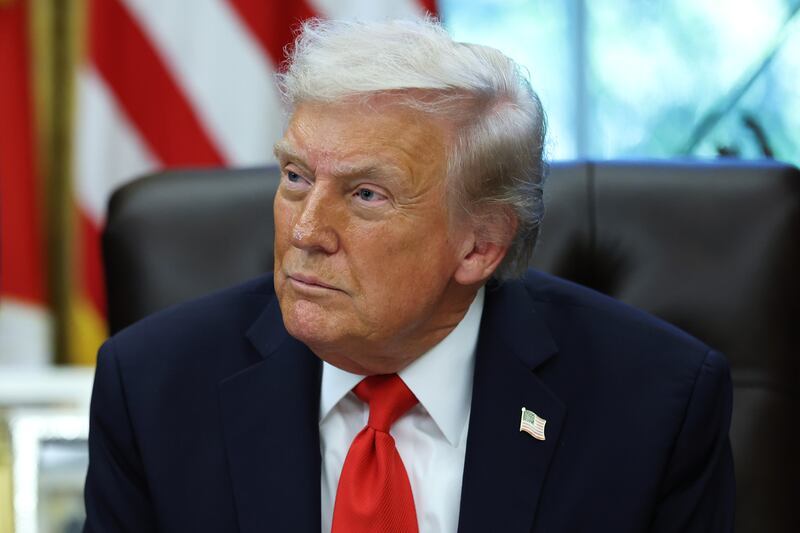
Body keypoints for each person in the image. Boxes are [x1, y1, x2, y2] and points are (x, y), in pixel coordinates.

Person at [83, 18, 734, 533]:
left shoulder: (653, 405)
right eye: (296, 177)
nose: (306, 231)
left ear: (480, 245)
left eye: (366, 194)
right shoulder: (153, 387)